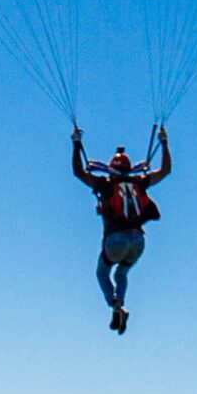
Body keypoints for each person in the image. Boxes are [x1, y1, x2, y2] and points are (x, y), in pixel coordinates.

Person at [73, 125, 170, 333]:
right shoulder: (140, 182)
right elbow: (165, 170)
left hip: (116, 240)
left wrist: (76, 143)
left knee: (102, 272)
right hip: (138, 241)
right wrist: (164, 142)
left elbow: (78, 172)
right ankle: (121, 306)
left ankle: (115, 305)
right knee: (122, 273)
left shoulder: (106, 184)